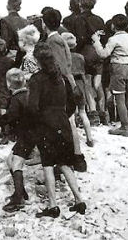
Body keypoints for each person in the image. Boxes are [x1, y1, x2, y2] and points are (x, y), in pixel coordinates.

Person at [29, 43, 85, 219]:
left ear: (37, 60)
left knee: (47, 164)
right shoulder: (62, 77)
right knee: (65, 163)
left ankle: (53, 205)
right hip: (63, 121)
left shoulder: (36, 79)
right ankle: (79, 200)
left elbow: (33, 107)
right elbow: (72, 103)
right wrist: (62, 115)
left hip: (46, 123)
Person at [43, 9, 86, 171]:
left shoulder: (53, 41)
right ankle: (77, 157)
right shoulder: (60, 38)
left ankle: (72, 158)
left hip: (60, 84)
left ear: (44, 24)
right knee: (69, 121)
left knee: (65, 122)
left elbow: (59, 66)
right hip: (66, 81)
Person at [0, 68, 34, 212]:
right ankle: (20, 191)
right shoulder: (29, 94)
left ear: (9, 84)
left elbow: (10, 117)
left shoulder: (16, 99)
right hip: (32, 132)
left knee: (16, 163)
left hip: (26, 135)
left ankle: (18, 199)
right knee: (10, 160)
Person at [73, 0, 107, 125]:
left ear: (80, 4)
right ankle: (103, 112)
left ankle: (93, 112)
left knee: (87, 83)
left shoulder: (79, 19)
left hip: (86, 52)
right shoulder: (99, 19)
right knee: (98, 84)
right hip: (99, 51)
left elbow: (80, 38)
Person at [62, 32, 94, 147]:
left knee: (71, 115)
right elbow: (83, 73)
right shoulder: (80, 57)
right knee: (82, 112)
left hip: (70, 85)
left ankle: (74, 140)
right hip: (80, 85)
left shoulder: (64, 58)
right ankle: (89, 138)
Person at [0, 38, 15, 143]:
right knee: (11, 110)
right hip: (10, 88)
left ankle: (5, 135)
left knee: (2, 112)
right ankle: (12, 133)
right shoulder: (11, 61)